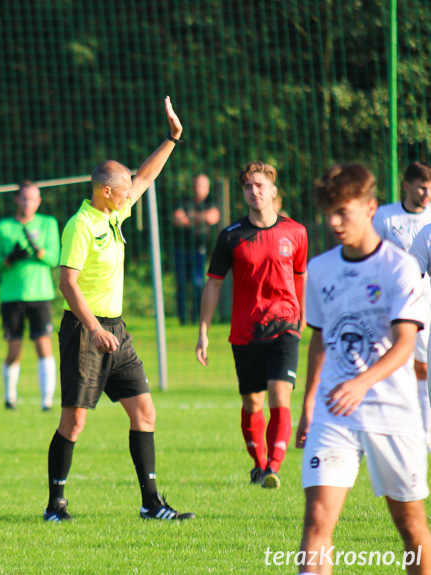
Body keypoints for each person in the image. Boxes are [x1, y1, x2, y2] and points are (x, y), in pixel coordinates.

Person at [44, 96, 194, 523]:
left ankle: (151, 504)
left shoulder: (114, 213)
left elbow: (144, 177)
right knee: (73, 422)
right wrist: (92, 328)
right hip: (85, 330)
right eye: (125, 189)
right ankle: (56, 505)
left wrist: (172, 139)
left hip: (117, 330)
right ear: (106, 191)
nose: (133, 194)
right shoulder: (82, 225)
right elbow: (67, 282)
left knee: (144, 411)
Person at [296, 163, 431, 575]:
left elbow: (405, 343)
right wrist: (307, 405)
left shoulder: (399, 267)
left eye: (345, 212)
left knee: (409, 526)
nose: (335, 223)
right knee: (318, 518)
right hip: (334, 410)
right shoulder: (320, 270)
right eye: (330, 214)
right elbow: (319, 339)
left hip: (392, 409)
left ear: (371, 207)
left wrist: (362, 383)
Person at [196, 162, 307, 489]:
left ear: (273, 191)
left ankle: (273, 465)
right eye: (248, 186)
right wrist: (203, 331)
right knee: (253, 403)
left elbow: (300, 278)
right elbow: (213, 284)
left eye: (259, 185)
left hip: (285, 327)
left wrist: (301, 319)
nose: (254, 191)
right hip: (245, 331)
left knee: (279, 395)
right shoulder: (231, 236)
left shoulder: (296, 232)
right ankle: (259, 465)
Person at [374, 161, 431, 447]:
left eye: (430, 189)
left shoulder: (430, 219)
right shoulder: (385, 216)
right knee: (391, 359)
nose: (426, 194)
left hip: (425, 300)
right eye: (422, 187)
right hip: (391, 300)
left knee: (423, 366)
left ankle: (425, 431)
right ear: (407, 186)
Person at [0, 181, 60, 410]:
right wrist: (11, 258)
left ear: (39, 201)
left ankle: (46, 401)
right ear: (16, 200)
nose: (28, 203)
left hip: (40, 295)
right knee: (14, 350)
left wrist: (37, 249)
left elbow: (54, 258)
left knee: (43, 347)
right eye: (24, 198)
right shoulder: (3, 227)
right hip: (12, 296)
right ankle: (10, 398)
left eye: (33, 199)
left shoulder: (49, 223)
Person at [172, 173, 220, 325]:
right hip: (181, 249)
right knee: (181, 284)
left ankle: (196, 317)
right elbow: (178, 219)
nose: (198, 188)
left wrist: (190, 217)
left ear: (207, 188)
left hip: (199, 250)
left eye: (202, 185)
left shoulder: (211, 203)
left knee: (198, 283)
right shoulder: (183, 201)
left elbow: (212, 218)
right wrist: (201, 218)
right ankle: (183, 319)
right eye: (197, 184)